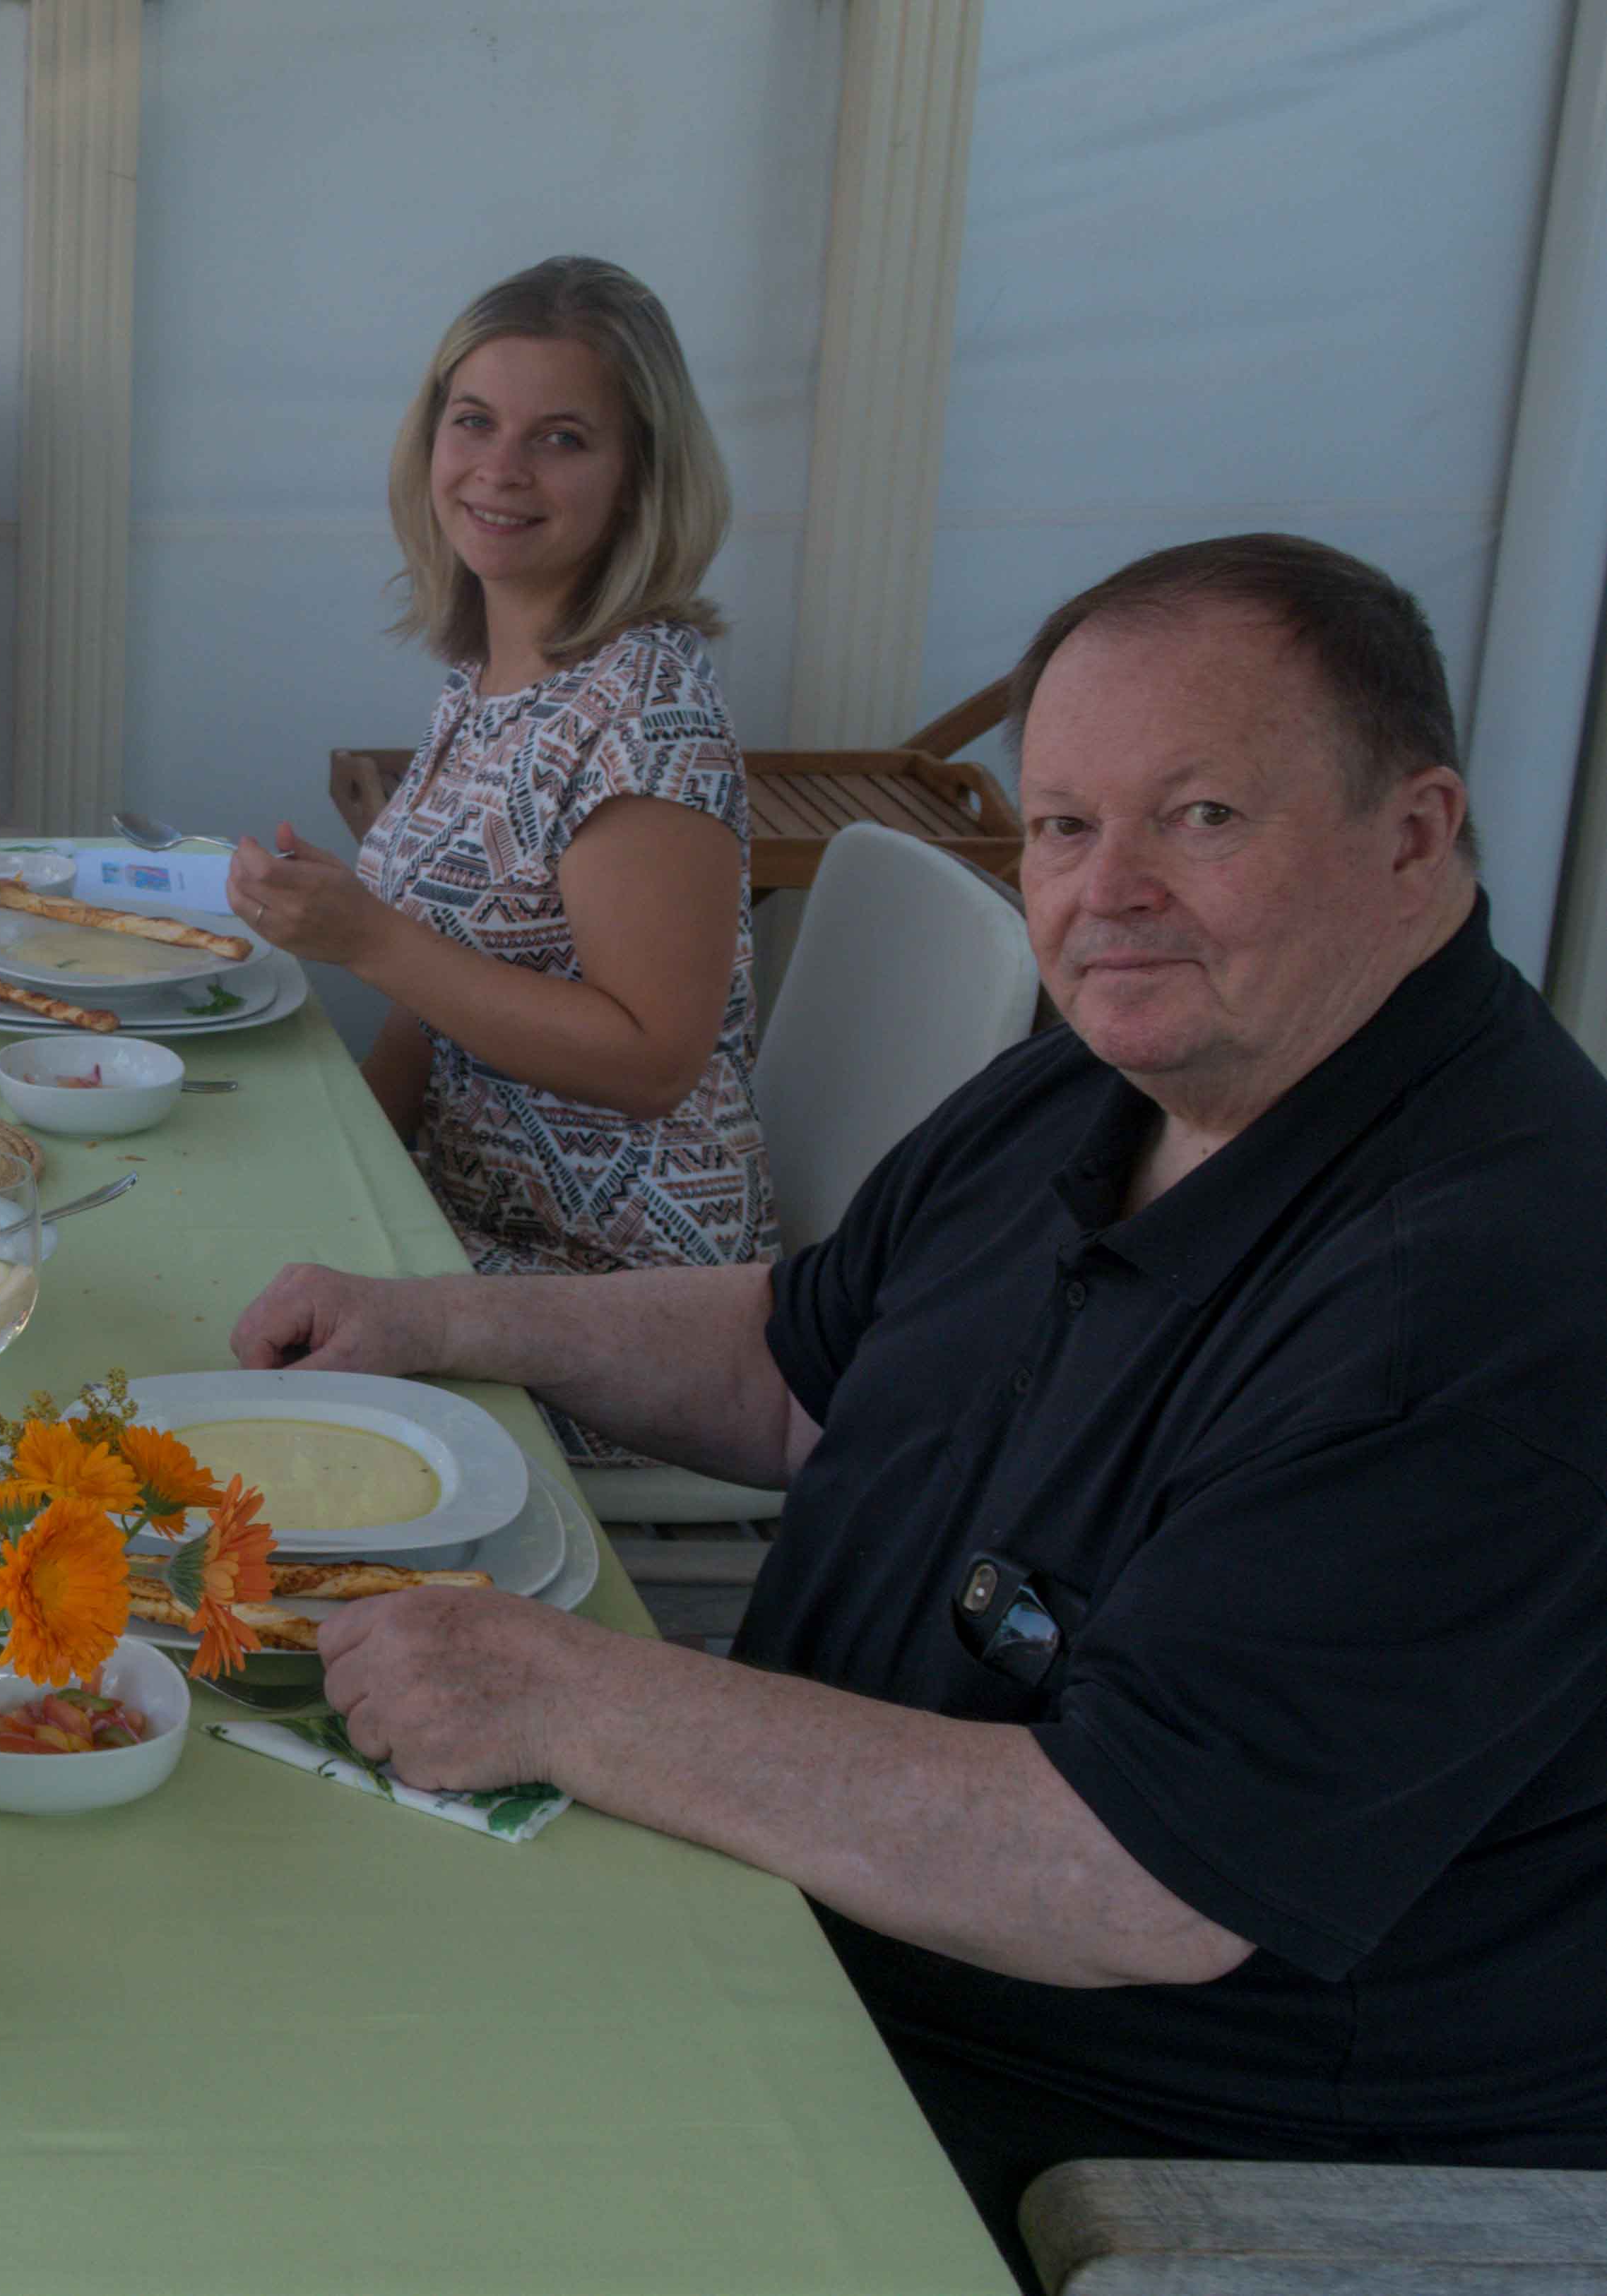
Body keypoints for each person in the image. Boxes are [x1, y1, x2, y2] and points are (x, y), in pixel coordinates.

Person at [230, 534, 1607, 2287]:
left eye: (1201, 818)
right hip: (803, 1907)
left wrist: (567, 1690)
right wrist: (429, 1319)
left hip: (1066, 2121)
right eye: (1061, 824)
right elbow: (803, 1360)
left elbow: (1129, 1872)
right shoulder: (1100, 1077)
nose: (1107, 891)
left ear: (1415, 836)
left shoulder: (1481, 1292)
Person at [226, 256, 773, 1463]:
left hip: (607, 1292)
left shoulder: (642, 705)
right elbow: (440, 999)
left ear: (639, 475)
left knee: (202, 1349)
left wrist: (366, 937)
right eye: (471, 421)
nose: (499, 468)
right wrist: (340, 1159)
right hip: (462, 1221)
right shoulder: (491, 678)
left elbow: (651, 1061)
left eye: (561, 438)